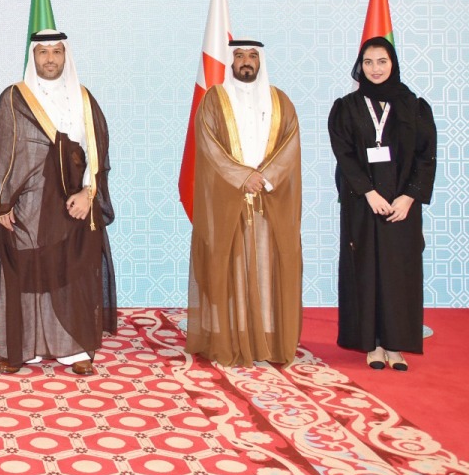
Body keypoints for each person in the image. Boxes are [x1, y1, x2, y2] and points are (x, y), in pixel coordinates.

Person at [0, 30, 117, 375]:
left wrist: (88, 193)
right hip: (27, 202)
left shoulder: (83, 98)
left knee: (71, 271)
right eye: (43, 52)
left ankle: (74, 349)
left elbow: (97, 150)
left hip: (72, 203)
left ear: (65, 56)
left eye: (56, 52)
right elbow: (4, 151)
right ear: (34, 57)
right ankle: (25, 347)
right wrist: (2, 203)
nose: (49, 59)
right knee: (27, 270)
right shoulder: (15, 96)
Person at [186, 40, 302, 366]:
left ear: (260, 61)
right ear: (230, 61)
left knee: (267, 269)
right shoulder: (213, 100)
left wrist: (264, 177)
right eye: (239, 56)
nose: (246, 62)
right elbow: (208, 145)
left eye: (252, 56)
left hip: (269, 200)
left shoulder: (281, 101)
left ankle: (265, 341)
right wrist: (241, 176)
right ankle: (231, 340)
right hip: (228, 201)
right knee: (231, 270)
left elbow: (291, 143)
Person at [328, 36, 436, 371]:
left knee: (399, 272)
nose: (375, 69)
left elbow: (426, 156)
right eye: (369, 62)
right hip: (363, 203)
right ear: (360, 66)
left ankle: (396, 344)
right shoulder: (346, 107)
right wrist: (368, 193)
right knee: (366, 270)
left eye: (382, 61)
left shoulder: (414, 106)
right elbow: (344, 154)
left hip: (402, 205)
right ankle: (372, 344)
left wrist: (409, 197)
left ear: (394, 64)